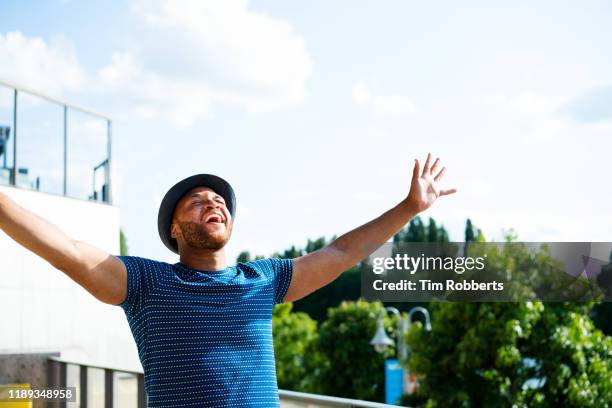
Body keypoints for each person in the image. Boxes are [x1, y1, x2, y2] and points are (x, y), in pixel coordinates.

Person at [0, 153, 456, 407]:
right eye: (197, 202)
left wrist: (409, 209)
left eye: (218, 200)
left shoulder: (264, 278)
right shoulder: (147, 283)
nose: (213, 203)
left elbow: (340, 252)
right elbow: (67, 250)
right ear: (175, 230)